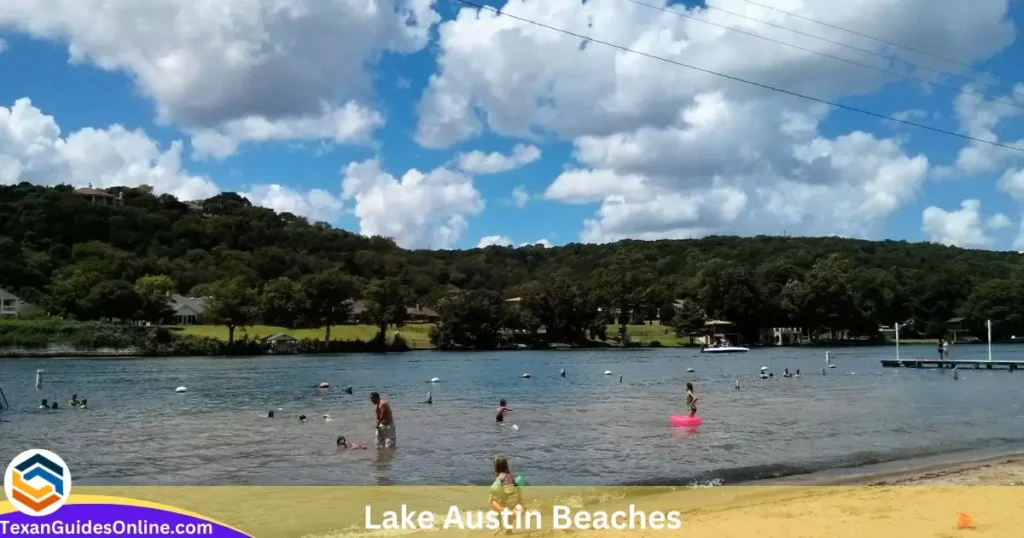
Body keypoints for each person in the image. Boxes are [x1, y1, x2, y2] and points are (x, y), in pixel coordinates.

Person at [488, 456, 523, 535]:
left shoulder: (500, 476)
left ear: (496, 466)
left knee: (494, 505)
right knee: (508, 511)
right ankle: (509, 530)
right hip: (513, 497)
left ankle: (499, 526)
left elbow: (495, 488)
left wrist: (492, 497)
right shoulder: (509, 474)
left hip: (506, 497)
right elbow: (513, 485)